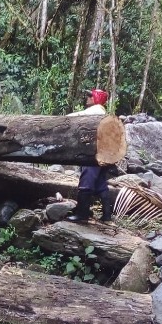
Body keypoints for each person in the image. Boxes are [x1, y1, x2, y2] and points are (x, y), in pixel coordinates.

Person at [67, 88, 112, 223]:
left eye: (90, 96)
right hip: (103, 151)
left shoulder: (96, 110)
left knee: (86, 181)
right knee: (100, 183)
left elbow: (74, 117)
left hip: (93, 152)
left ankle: (82, 214)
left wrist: (61, 119)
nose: (87, 98)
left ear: (96, 98)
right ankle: (107, 215)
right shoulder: (101, 111)